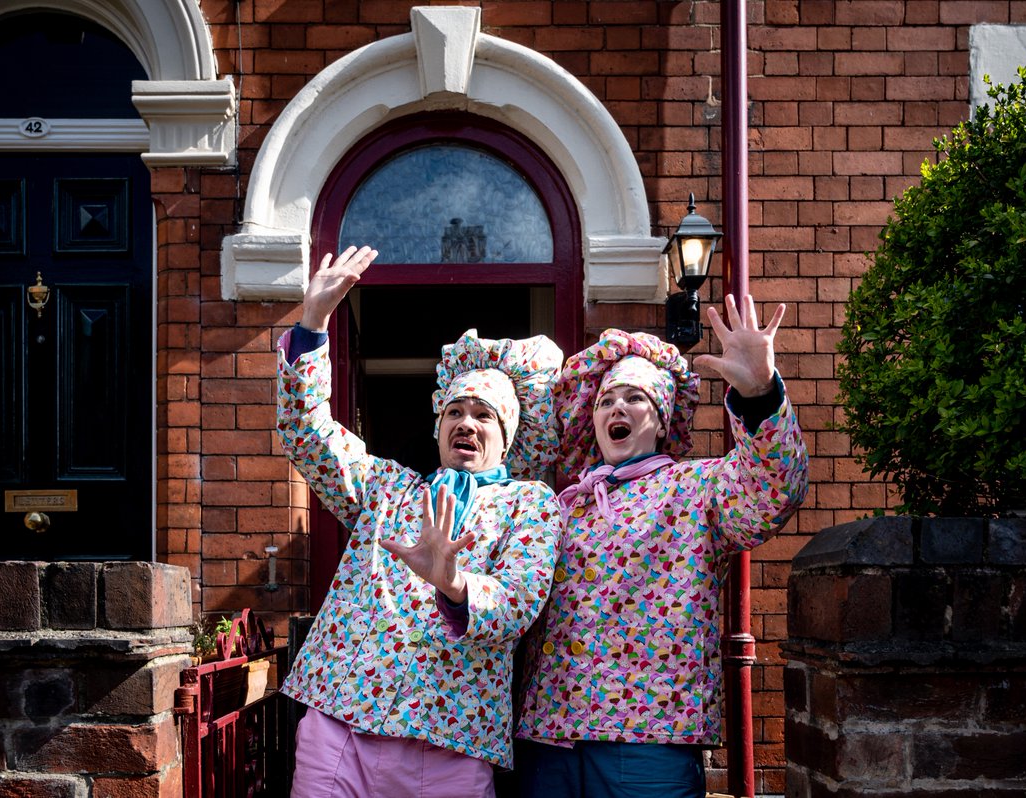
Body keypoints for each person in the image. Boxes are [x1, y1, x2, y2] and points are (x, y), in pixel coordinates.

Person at [276, 245, 564, 798]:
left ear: (506, 437)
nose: (467, 422)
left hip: (451, 737)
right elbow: (307, 434)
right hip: (342, 721)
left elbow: (519, 603)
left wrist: (454, 584)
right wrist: (313, 324)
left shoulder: (529, 504)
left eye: (484, 415)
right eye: (455, 411)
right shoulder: (388, 486)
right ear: (437, 427)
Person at [513, 294, 810, 798]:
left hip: (648, 739)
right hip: (550, 734)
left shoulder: (694, 489)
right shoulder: (561, 505)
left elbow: (774, 487)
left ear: (661, 418)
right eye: (606, 400)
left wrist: (759, 393)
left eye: (634, 399)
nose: (617, 408)